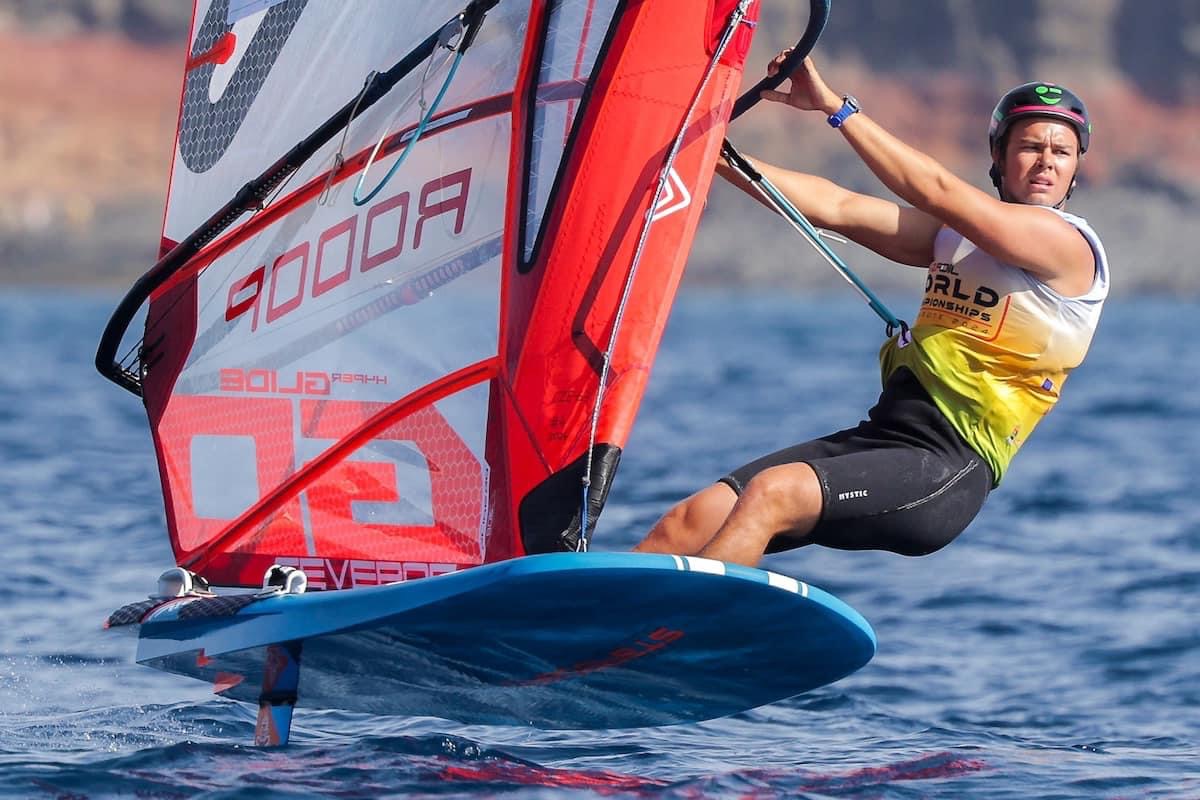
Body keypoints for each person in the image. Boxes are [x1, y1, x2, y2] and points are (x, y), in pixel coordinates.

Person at [633, 53, 1109, 567]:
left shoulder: (1070, 248)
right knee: (689, 521)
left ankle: (692, 618)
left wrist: (834, 108)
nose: (1046, 161)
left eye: (1062, 151)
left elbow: (938, 190)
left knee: (772, 494)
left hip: (944, 467)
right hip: (881, 438)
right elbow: (836, 207)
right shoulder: (953, 240)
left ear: (1075, 168)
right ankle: (593, 615)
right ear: (999, 155)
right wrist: (707, 153)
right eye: (1031, 147)